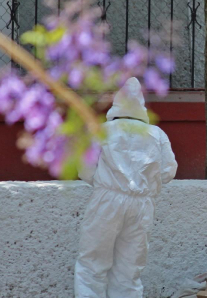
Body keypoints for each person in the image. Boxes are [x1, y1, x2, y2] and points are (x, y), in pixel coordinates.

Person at [75, 77, 178, 298]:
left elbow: (84, 169)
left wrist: (105, 183)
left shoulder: (101, 130)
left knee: (92, 265)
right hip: (142, 205)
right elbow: (169, 171)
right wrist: (146, 186)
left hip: (107, 200)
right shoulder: (157, 134)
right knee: (129, 271)